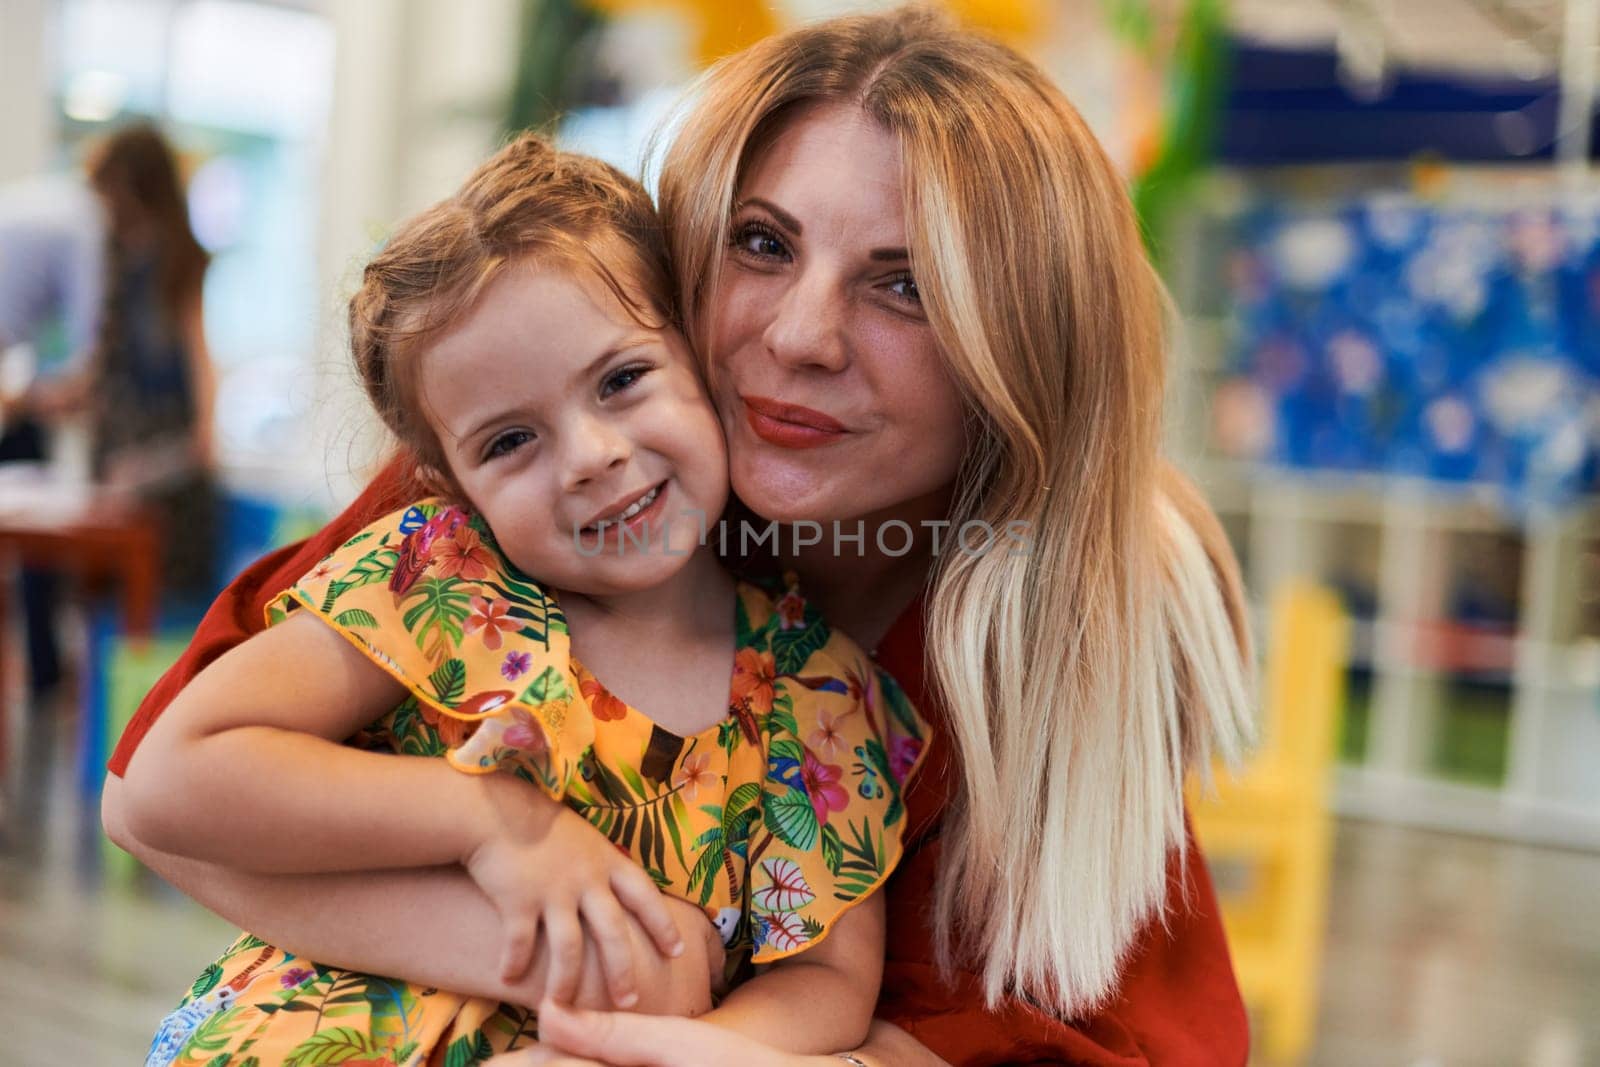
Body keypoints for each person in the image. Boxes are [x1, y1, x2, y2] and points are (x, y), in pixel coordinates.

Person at [103, 8, 1256, 1064]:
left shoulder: (1021, 643)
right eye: (762, 243)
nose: (802, 336)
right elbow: (157, 797)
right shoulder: (523, 456)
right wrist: (588, 953)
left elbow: (1053, 1029)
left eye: (904, 286)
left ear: (1024, 343)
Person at [120, 133, 924, 1066]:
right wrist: (491, 821)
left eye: (622, 380)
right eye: (510, 442)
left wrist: (637, 1049)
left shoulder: (819, 699)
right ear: (450, 479)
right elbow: (177, 774)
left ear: (699, 356)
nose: (590, 457)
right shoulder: (446, 582)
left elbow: (827, 980)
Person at [85, 123, 218, 600]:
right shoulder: (113, 256)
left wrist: (207, 423)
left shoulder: (176, 258)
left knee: (158, 585)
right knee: (105, 585)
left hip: (164, 446)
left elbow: (197, 346)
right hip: (120, 444)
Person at [0, 169, 106, 696]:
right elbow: (90, 350)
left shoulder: (43, 202)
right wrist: (62, 397)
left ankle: (43, 670)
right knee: (36, 540)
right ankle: (45, 675)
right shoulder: (87, 226)